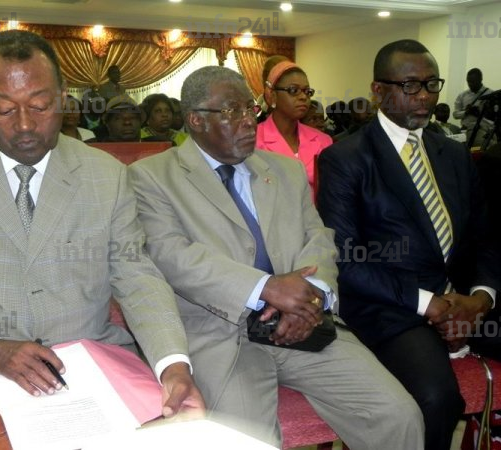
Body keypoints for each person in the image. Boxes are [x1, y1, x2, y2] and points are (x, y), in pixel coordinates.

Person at [0, 30, 204, 450]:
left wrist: (173, 364)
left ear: (63, 97)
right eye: (4, 109)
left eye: (41, 106)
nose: (25, 125)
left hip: (87, 374)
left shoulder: (106, 176)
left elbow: (138, 278)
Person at [129, 66, 424, 449]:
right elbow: (172, 255)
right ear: (196, 120)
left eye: (249, 109)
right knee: (247, 441)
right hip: (221, 334)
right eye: (231, 111)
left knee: (398, 415)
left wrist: (311, 297)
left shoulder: (285, 170)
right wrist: (267, 288)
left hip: (304, 324)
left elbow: (318, 237)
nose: (248, 121)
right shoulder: (151, 176)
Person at [317, 39, 501, 450]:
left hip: (463, 300)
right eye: (410, 85)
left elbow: (484, 237)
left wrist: (480, 299)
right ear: (378, 90)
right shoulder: (346, 158)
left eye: (432, 84)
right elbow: (344, 258)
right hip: (392, 306)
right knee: (436, 398)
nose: (424, 96)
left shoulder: (453, 153)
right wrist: (430, 304)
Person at [256, 61, 332, 196]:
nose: (303, 97)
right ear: (273, 95)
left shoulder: (323, 141)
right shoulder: (253, 141)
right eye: (293, 90)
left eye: (307, 91)